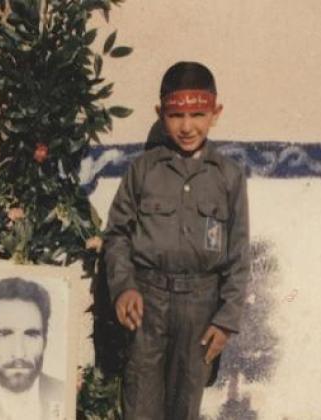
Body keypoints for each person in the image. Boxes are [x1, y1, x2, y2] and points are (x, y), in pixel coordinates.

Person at [103, 61, 250, 420]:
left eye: (198, 114)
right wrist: (124, 287)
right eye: (175, 116)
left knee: (185, 407)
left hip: (201, 309)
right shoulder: (143, 170)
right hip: (147, 305)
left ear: (215, 113)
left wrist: (226, 320)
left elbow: (238, 254)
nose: (187, 127)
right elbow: (117, 235)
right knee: (140, 404)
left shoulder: (228, 177)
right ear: (161, 114)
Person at [0, 278, 65, 420]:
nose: (19, 353)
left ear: (45, 340)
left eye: (31, 334)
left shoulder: (66, 395)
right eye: (4, 334)